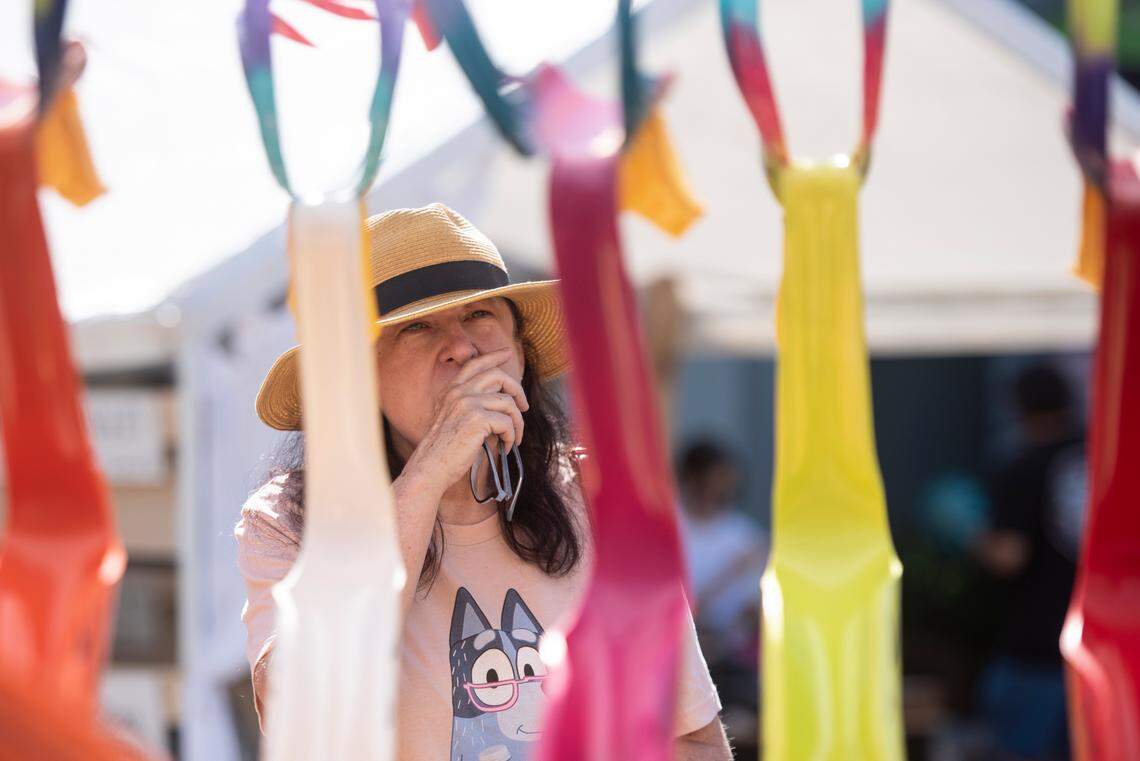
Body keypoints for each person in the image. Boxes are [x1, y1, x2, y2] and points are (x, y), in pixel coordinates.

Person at [234, 204, 731, 760]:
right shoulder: (288, 519)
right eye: (417, 327)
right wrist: (431, 470)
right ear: (357, 377)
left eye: (480, 315)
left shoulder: (598, 500)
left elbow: (694, 742)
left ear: (520, 353)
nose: (463, 347)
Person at [976, 362, 1086, 760]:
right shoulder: (1101, 458)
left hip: (1036, 648)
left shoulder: (1024, 465)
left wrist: (975, 541)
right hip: (1103, 644)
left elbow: (1008, 555)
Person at [676, 440, 767, 756]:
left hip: (732, 659)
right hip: (680, 654)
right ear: (692, 477)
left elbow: (755, 612)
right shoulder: (671, 528)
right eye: (714, 479)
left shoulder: (745, 535)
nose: (721, 489)